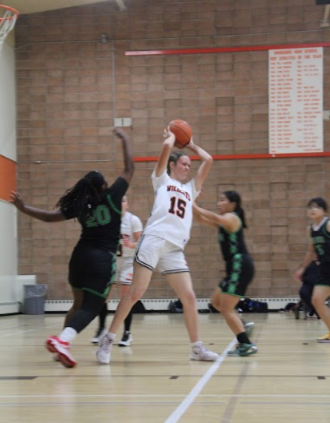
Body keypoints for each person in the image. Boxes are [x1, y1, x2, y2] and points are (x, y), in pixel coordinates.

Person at [10, 128, 134, 367]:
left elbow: (48, 217)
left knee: (77, 305)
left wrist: (23, 207)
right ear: (103, 186)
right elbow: (129, 168)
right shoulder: (112, 197)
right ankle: (63, 341)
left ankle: (60, 349)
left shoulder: (82, 206)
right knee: (92, 306)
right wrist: (125, 139)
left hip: (79, 258)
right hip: (101, 260)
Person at [96, 126, 219, 364]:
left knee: (190, 297)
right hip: (154, 240)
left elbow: (209, 159)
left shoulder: (190, 189)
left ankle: (196, 348)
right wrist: (172, 138)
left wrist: (190, 144)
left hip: (174, 248)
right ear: (173, 165)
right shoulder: (161, 180)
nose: (187, 168)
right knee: (135, 293)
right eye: (184, 164)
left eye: (189, 166)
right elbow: (165, 148)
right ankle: (108, 339)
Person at [193, 191, 257, 357]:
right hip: (234, 267)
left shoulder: (232, 217)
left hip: (240, 265)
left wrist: (194, 206)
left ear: (233, 204)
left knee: (227, 308)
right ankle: (244, 326)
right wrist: (193, 204)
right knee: (215, 302)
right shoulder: (224, 222)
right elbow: (201, 219)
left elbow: (216, 218)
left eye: (222, 200)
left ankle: (246, 344)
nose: (218, 203)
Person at [90, 195, 143, 346]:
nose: (121, 202)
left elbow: (142, 241)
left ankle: (127, 333)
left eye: (124, 200)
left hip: (127, 262)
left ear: (128, 204)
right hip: (112, 261)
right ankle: (101, 328)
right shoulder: (108, 220)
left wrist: (131, 244)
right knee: (103, 296)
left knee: (125, 297)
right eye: (118, 200)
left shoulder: (133, 220)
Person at [294, 197, 330, 343]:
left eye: (317, 207)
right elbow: (310, 251)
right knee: (317, 300)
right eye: (310, 207)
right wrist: (303, 268)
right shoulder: (310, 229)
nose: (313, 209)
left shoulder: (328, 224)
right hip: (325, 268)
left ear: (324, 210)